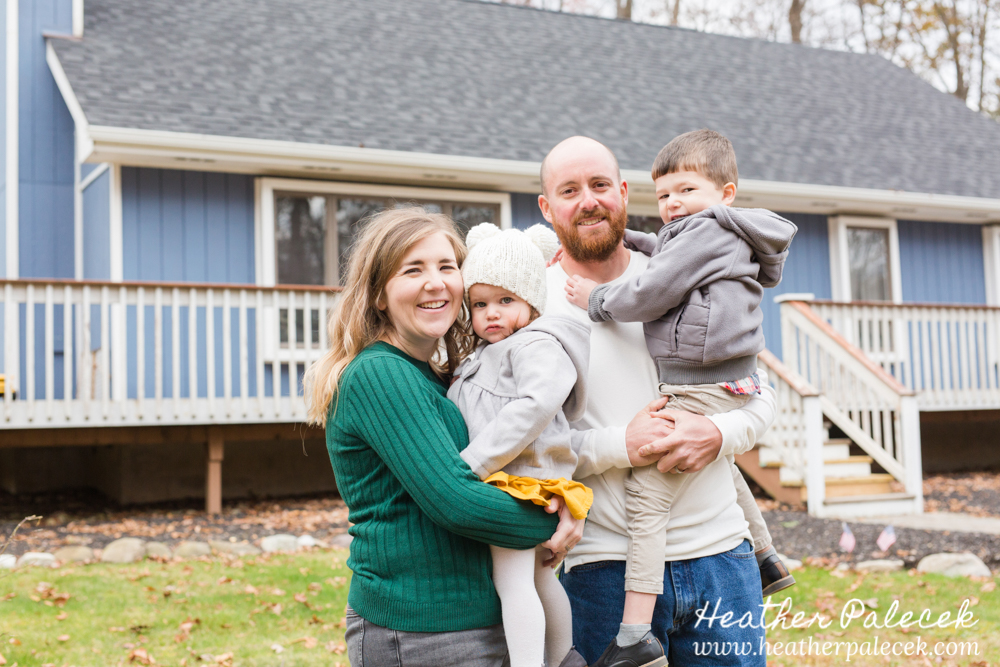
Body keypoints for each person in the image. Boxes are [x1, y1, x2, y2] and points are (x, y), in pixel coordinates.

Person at [304, 207, 586, 667]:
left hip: (471, 622)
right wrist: (556, 518)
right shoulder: (380, 375)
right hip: (421, 631)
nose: (435, 282)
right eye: (413, 269)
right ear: (379, 294)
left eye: (446, 266)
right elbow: (456, 500)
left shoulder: (443, 377)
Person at [538, 135, 778, 666]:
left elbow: (759, 395)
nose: (589, 201)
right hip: (605, 565)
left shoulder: (684, 271)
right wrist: (619, 444)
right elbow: (530, 445)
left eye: (601, 185)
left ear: (623, 193)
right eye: (569, 190)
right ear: (547, 207)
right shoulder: (531, 303)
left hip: (721, 556)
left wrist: (717, 434)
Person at [448, 222, 592, 667]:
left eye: (506, 301)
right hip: (520, 481)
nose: (492, 313)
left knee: (512, 581)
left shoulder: (535, 345)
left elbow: (533, 406)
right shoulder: (487, 353)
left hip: (522, 482)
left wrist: (471, 463)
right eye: (480, 304)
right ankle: (562, 659)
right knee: (538, 577)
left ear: (531, 301)